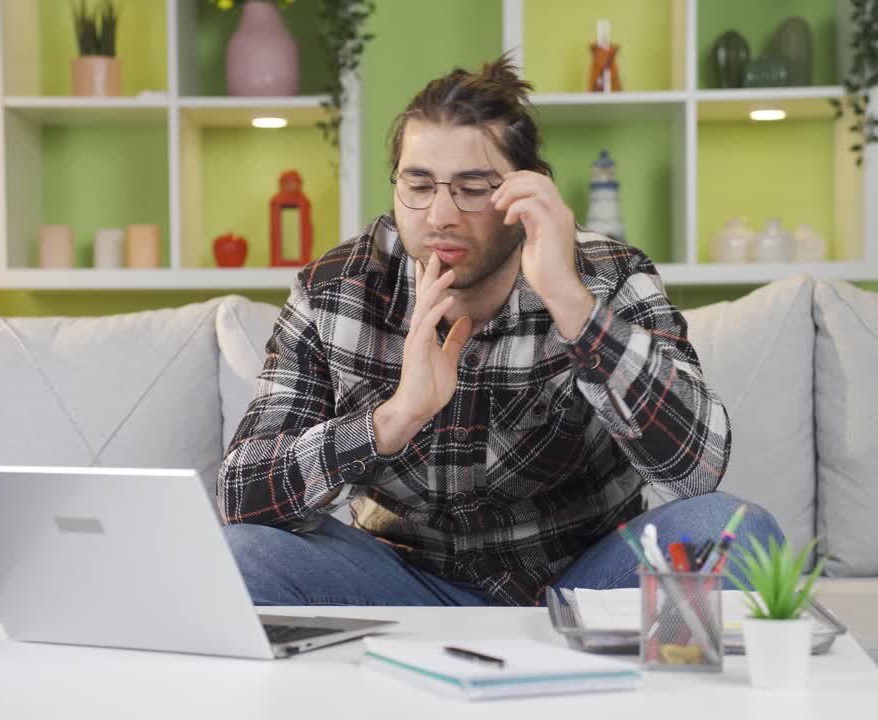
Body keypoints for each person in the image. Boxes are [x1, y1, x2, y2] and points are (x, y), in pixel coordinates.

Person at [216, 55, 782, 607]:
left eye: (474, 187)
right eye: (419, 185)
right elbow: (240, 495)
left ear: (527, 193)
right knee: (239, 556)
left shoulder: (608, 277)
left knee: (736, 532)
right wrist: (391, 420)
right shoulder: (337, 291)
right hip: (403, 584)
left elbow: (698, 472)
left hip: (584, 583)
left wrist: (575, 309)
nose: (440, 215)